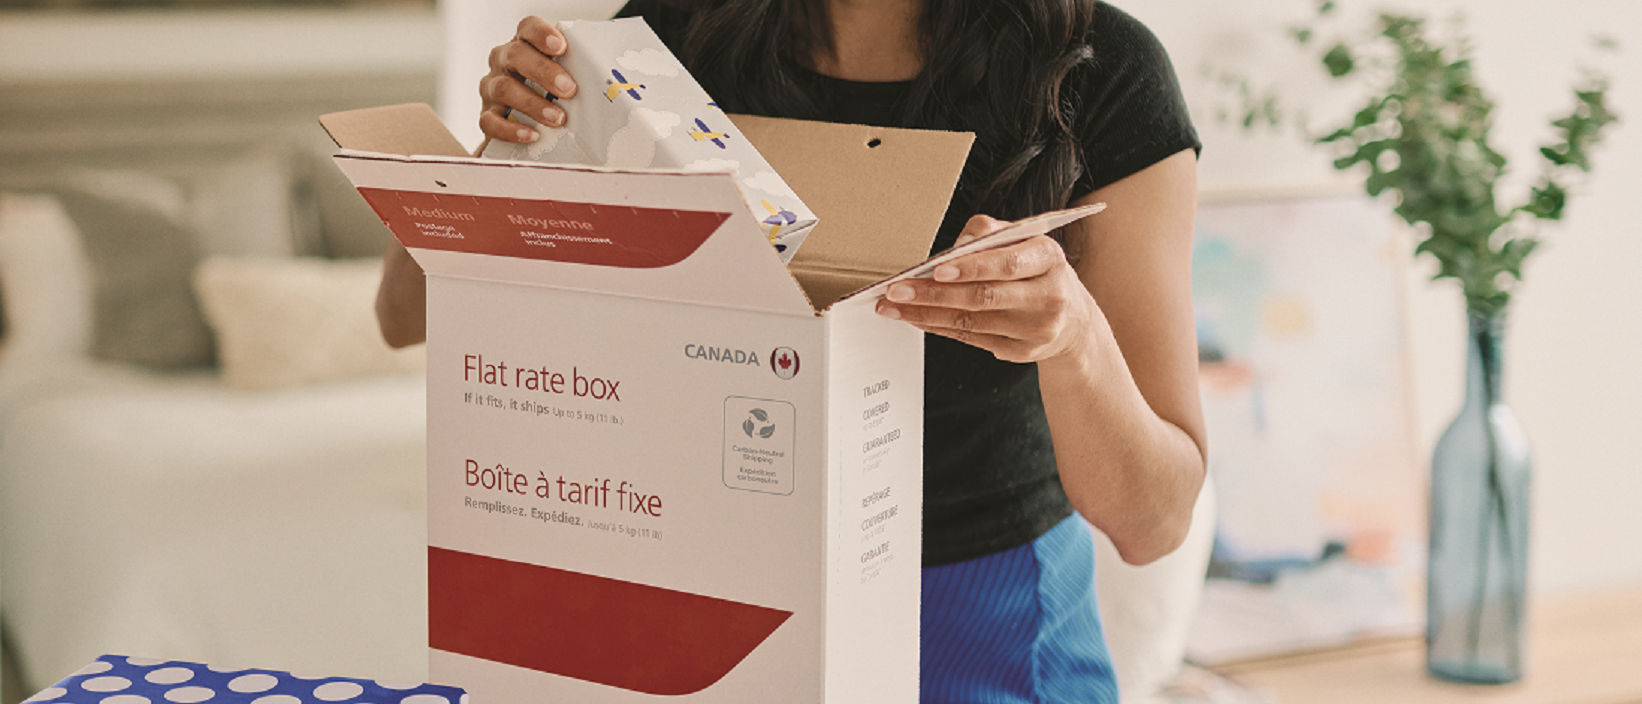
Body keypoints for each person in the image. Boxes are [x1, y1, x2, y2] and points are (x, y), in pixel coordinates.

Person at [377, 0, 1207, 700]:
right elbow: (407, 313)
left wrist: (1074, 339)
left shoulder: (1102, 72)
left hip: (975, 616)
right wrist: (509, 145)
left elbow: (1153, 522)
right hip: (708, 595)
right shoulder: (665, 40)